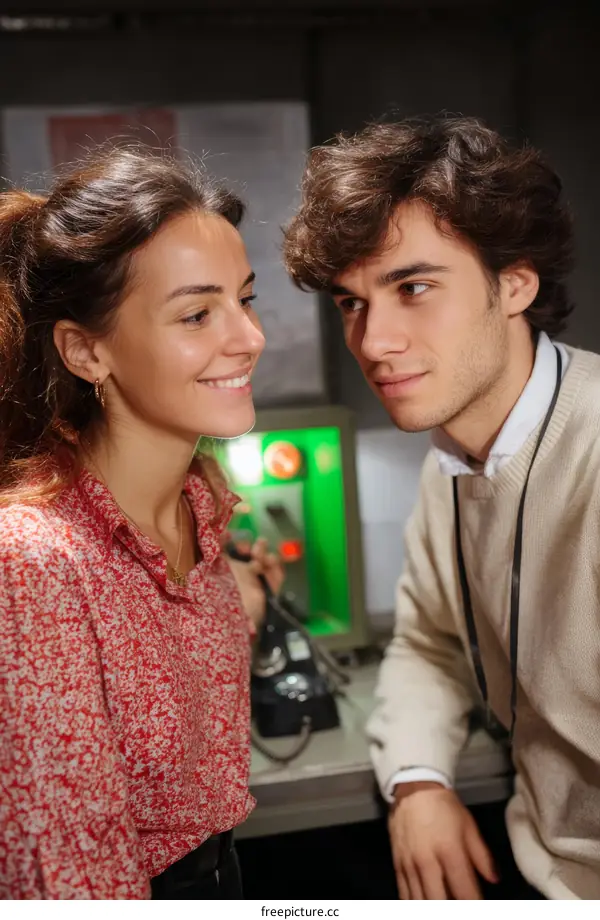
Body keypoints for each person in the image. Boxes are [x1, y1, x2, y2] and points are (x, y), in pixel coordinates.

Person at [282, 115, 600, 900]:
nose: (373, 341)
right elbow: (429, 642)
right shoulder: (453, 454)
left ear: (515, 284)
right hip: (537, 861)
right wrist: (418, 780)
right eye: (351, 303)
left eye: (413, 288)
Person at [0, 145, 283, 899]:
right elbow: (70, 880)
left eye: (245, 299)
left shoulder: (201, 510)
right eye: (197, 314)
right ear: (85, 351)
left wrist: (245, 604)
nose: (249, 338)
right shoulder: (33, 563)